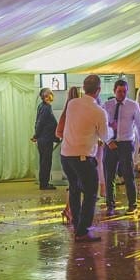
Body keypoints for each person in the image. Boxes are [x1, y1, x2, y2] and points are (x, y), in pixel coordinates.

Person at [60, 75, 109, 242]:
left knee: (74, 189)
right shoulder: (99, 111)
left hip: (66, 155)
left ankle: (76, 224)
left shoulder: (73, 104)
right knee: (90, 193)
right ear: (98, 90)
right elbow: (105, 135)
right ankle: (82, 230)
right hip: (82, 157)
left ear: (84, 88)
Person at [102, 80, 140, 214]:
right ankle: (110, 205)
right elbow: (102, 125)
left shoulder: (133, 105)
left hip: (126, 143)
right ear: (114, 91)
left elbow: (139, 124)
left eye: (124, 91)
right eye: (119, 91)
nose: (122, 94)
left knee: (128, 175)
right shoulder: (107, 105)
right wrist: (109, 131)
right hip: (110, 143)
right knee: (109, 175)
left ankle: (133, 204)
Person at [56, 86, 82, 224]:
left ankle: (69, 209)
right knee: (75, 184)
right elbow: (59, 132)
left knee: (73, 183)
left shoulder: (66, 112)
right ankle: (69, 210)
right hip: (76, 152)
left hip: (66, 152)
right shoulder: (75, 113)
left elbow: (58, 132)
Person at [32, 87, 58, 190]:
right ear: (45, 96)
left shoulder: (42, 106)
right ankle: (44, 184)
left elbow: (39, 122)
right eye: (48, 95)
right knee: (46, 162)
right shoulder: (46, 108)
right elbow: (40, 123)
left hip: (44, 138)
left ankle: (44, 182)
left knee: (44, 162)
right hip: (45, 139)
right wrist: (36, 135)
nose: (51, 96)